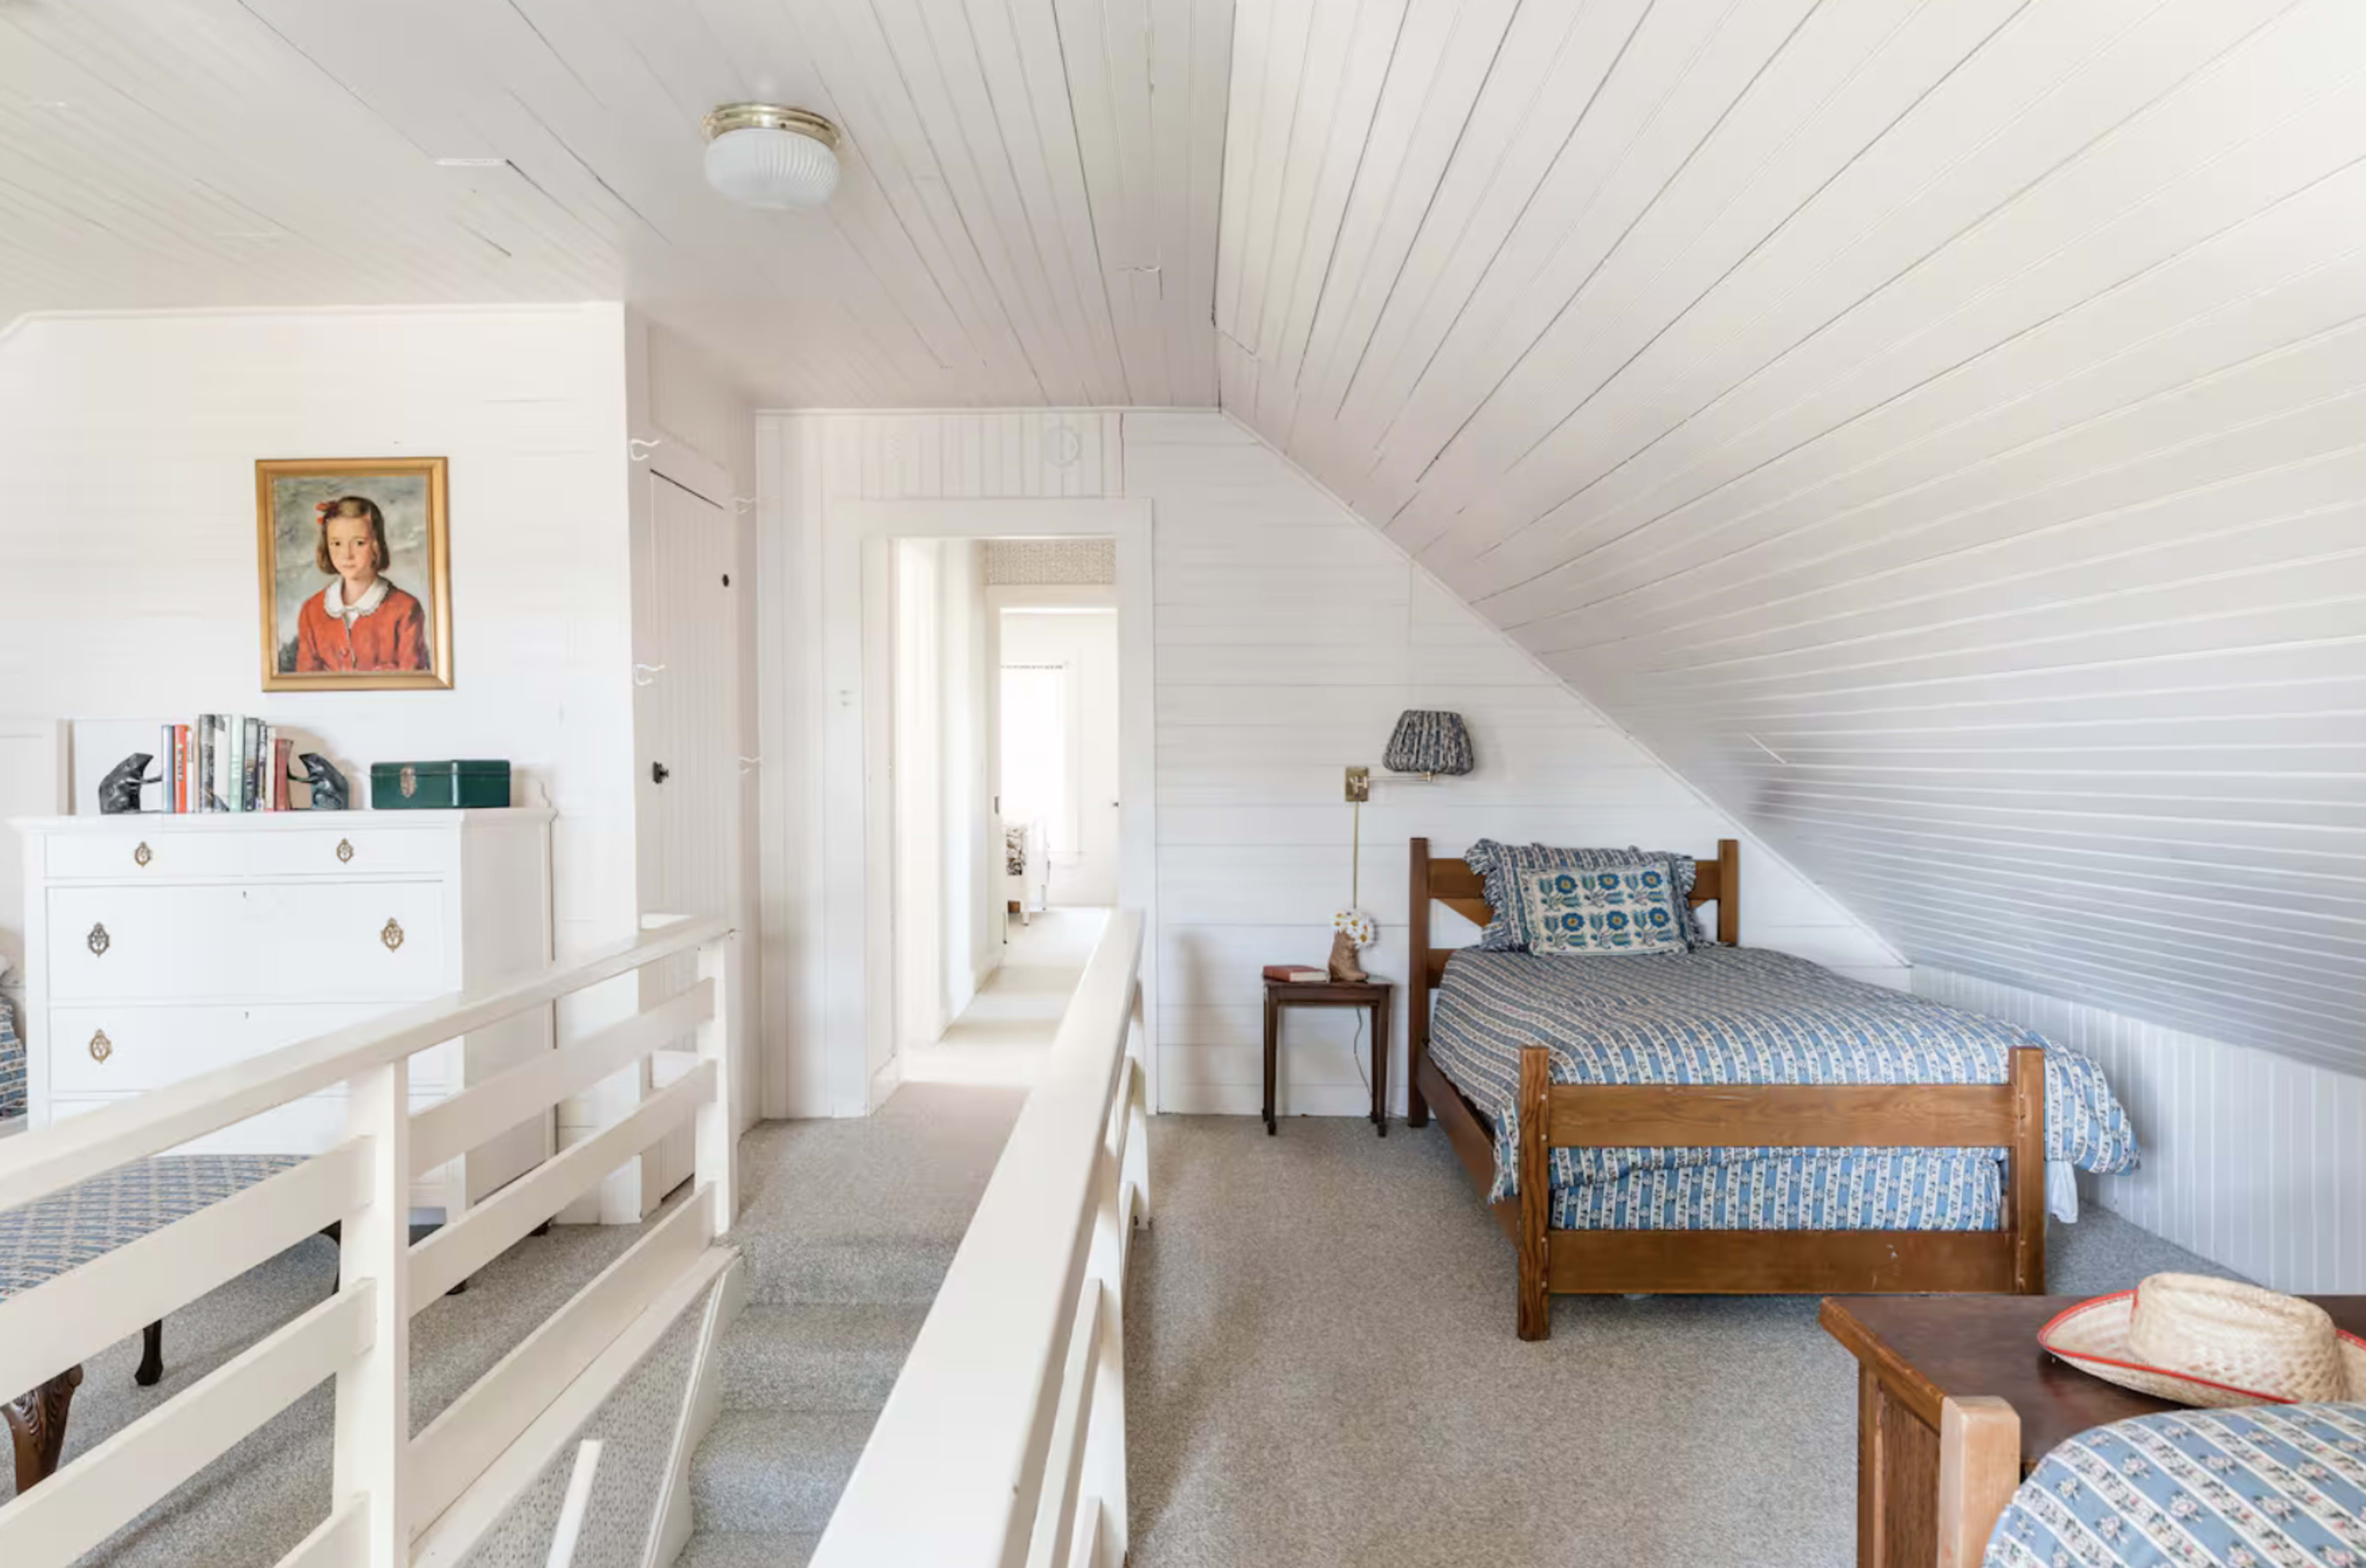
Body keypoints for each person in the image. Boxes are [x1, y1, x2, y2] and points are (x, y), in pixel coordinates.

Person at [293, 496, 430, 673]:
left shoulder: (406, 608)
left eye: (359, 543)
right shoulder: (312, 610)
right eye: (337, 543)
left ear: (376, 546)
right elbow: (306, 680)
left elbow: (412, 678)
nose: (347, 555)